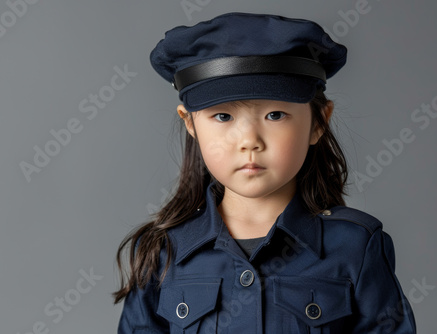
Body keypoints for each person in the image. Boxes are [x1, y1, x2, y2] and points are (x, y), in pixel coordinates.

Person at [114, 12, 417, 333]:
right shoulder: (163, 251)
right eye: (222, 116)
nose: (249, 141)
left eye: (275, 115)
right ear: (190, 123)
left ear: (318, 122)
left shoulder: (356, 246)